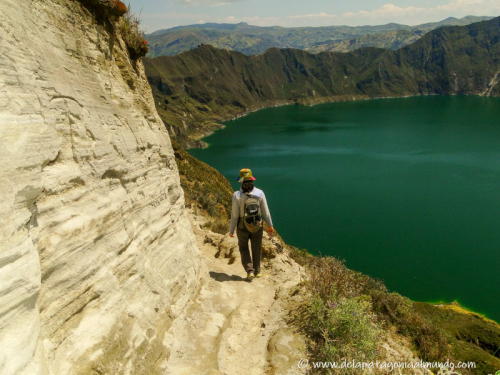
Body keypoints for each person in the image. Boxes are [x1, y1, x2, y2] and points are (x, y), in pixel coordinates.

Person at [229, 168, 274, 280]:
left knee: (243, 247)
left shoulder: (237, 195)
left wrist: (231, 229)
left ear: (241, 180)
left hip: (242, 226)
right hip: (257, 225)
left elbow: (234, 215)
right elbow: (266, 212)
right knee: (256, 247)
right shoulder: (260, 193)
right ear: (252, 179)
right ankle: (257, 271)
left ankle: (250, 271)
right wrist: (270, 225)